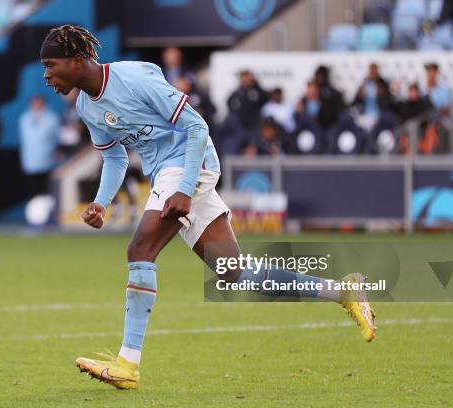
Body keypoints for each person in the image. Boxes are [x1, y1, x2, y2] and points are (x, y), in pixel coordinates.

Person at [39, 25, 377, 390]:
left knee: (140, 249)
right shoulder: (88, 107)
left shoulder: (133, 78)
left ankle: (128, 364)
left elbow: (197, 127)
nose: (46, 75)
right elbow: (115, 158)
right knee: (234, 272)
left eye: (51, 65)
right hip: (170, 175)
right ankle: (342, 291)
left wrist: (185, 188)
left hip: (188, 164)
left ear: (77, 60)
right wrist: (101, 203)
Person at [18, 94, 60, 197]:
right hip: (30, 164)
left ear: (43, 103)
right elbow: (25, 141)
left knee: (47, 194)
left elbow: (57, 139)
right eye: (34, 103)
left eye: (39, 102)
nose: (36, 105)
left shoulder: (52, 118)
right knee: (32, 195)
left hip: (47, 164)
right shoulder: (24, 119)